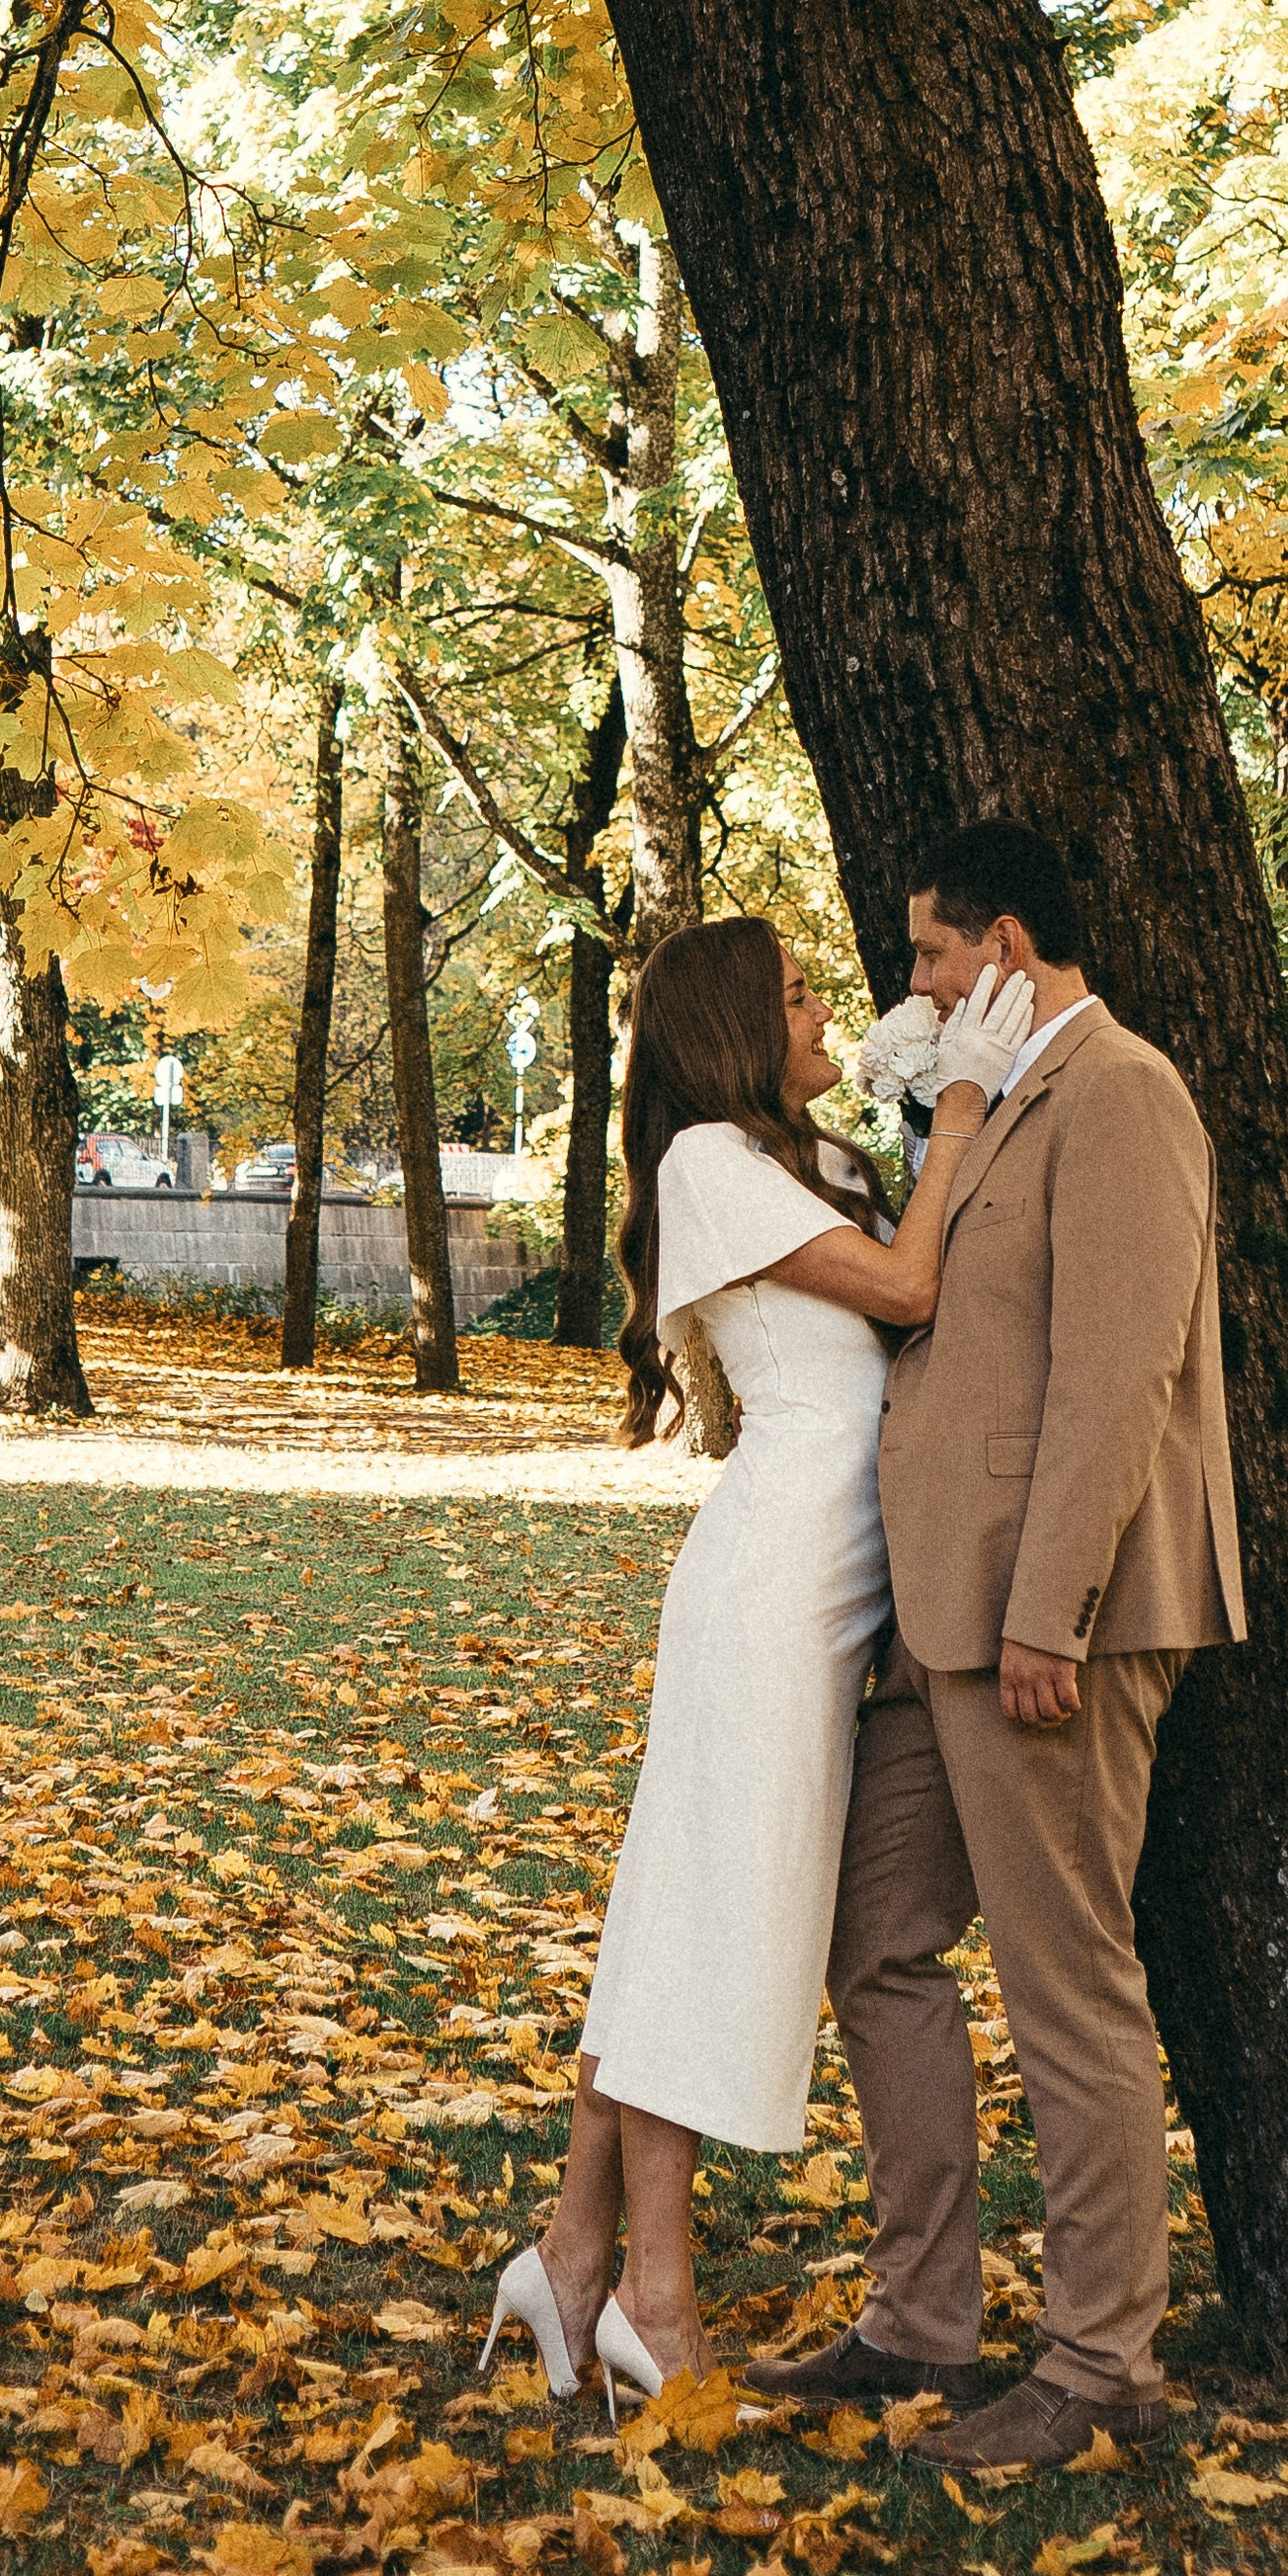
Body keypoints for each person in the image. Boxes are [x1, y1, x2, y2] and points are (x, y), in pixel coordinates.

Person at [477, 913, 1038, 2416]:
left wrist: (926, 1105)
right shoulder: (703, 1166)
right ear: (731, 1022)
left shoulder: (794, 1159)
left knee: (685, 1911)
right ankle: (649, 2300)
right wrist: (967, 1096)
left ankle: (572, 2260)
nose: (820, 1011)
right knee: (711, 1926)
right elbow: (910, 1292)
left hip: (840, 1585)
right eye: (793, 993)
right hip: (772, 1588)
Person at [748, 818, 1246, 2469]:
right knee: (877, 1937)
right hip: (941, 1622)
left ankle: (1102, 2365)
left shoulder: (1125, 1094)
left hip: (1054, 1627)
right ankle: (919, 2330)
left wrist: (1053, 1611)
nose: (915, 984)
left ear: (1007, 950)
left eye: (931, 956)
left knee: (1067, 1984)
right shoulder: (996, 1106)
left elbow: (1123, 1376)